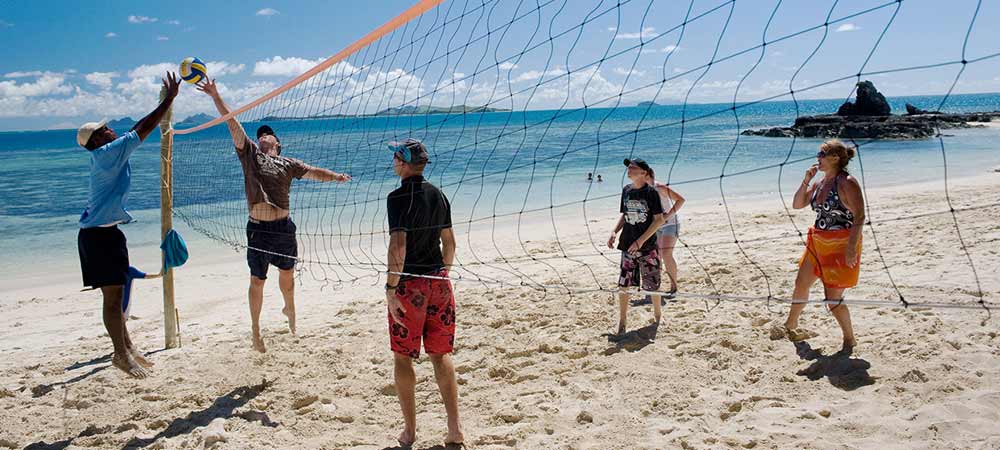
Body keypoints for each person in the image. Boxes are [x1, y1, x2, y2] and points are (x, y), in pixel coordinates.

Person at [196, 78, 352, 353]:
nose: (263, 135)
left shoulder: (289, 163)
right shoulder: (251, 155)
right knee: (257, 280)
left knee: (288, 277)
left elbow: (315, 172)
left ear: (278, 143)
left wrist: (337, 177)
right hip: (258, 230)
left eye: (268, 134)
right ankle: (256, 330)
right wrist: (215, 95)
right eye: (261, 134)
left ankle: (289, 308)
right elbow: (233, 123)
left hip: (283, 229)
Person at [76, 72, 181, 378]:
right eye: (104, 129)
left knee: (117, 293)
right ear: (96, 140)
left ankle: (129, 347)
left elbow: (138, 130)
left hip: (107, 233)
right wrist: (169, 101)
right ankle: (120, 354)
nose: (110, 129)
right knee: (112, 298)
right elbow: (142, 128)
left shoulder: (107, 154)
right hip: (96, 237)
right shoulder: (106, 153)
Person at [384, 138, 463, 447]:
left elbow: (398, 247)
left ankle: (409, 432)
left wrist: (391, 288)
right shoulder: (440, 195)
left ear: (403, 162)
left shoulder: (397, 198)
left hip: (410, 285)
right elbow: (450, 243)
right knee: (440, 356)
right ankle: (454, 429)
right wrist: (442, 273)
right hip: (440, 282)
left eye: (394, 156)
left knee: (403, 359)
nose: (392, 161)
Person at [772, 140, 864, 353]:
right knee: (801, 283)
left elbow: (860, 215)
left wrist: (851, 247)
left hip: (841, 244)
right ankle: (791, 324)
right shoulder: (820, 183)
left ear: (835, 158)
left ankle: (849, 338)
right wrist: (806, 180)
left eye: (821, 154)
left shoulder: (847, 182)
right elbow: (797, 204)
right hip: (818, 241)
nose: (818, 158)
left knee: (832, 298)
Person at [607, 158, 666, 336]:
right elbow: (625, 215)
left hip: (648, 247)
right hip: (627, 245)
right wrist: (614, 232)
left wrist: (640, 241)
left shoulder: (651, 193)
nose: (629, 169)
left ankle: (658, 317)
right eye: (628, 167)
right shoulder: (626, 190)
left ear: (643, 173)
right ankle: (622, 322)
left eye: (633, 167)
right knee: (623, 285)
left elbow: (659, 221)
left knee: (653, 286)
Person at [633, 178, 685, 306]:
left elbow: (680, 200)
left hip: (670, 224)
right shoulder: (640, 191)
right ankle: (654, 288)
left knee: (666, 255)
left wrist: (666, 216)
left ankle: (674, 287)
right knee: (655, 258)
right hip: (655, 227)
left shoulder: (659, 187)